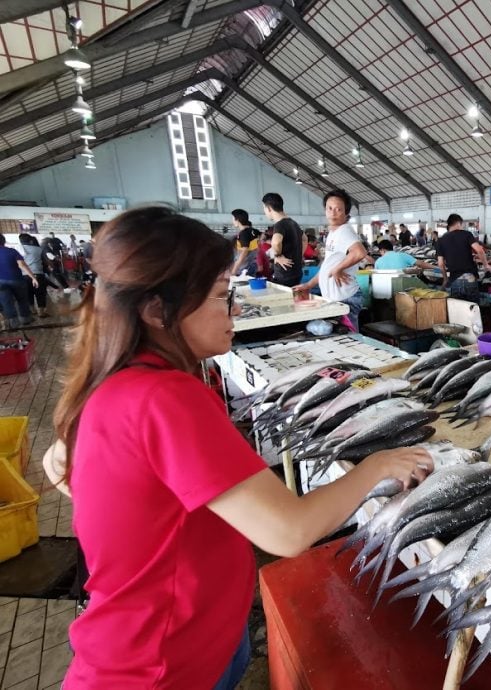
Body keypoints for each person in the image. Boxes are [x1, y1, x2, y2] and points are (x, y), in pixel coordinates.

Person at [53, 207, 432, 688]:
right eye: (218, 297)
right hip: (160, 668)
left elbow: (69, 472)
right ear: (156, 311)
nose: (232, 311)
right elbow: (289, 532)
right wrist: (377, 464)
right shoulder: (164, 397)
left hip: (173, 643)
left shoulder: (112, 385)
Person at [299, 190, 368, 331]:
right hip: (337, 298)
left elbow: (360, 252)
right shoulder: (333, 232)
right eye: (329, 208)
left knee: (349, 341)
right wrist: (309, 284)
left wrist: (338, 269)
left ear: (346, 213)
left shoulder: (344, 231)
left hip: (345, 298)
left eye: (338, 209)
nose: (333, 213)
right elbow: (327, 267)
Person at [436, 213, 491, 302]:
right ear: (458, 223)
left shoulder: (440, 240)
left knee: (458, 311)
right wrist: (486, 265)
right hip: (470, 279)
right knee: (473, 310)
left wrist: (445, 279)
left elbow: (440, 263)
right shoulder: (467, 234)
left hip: (454, 281)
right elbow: (480, 250)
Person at [262, 193, 304, 287]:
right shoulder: (293, 223)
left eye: (264, 208)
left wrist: (278, 256)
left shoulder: (279, 225)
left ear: (269, 208)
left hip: (284, 273)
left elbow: (276, 242)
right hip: (296, 271)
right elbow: (304, 239)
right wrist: (299, 255)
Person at [0, 234, 39, 327]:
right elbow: (21, 265)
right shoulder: (12, 251)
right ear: (3, 241)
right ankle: (26, 319)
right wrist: (33, 277)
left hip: (1, 282)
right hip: (17, 280)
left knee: (7, 302)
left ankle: (13, 323)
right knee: (22, 300)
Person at [18, 233, 50, 317]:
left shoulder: (18, 249)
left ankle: (32, 310)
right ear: (30, 240)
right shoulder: (38, 249)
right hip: (38, 274)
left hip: (24, 275)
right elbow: (45, 261)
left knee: (29, 293)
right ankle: (41, 312)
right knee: (40, 293)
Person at [230, 209, 260, 277]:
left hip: (244, 268)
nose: (232, 221)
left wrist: (234, 269)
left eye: (233, 219)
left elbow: (244, 252)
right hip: (252, 264)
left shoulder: (243, 233)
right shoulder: (253, 231)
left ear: (237, 220)